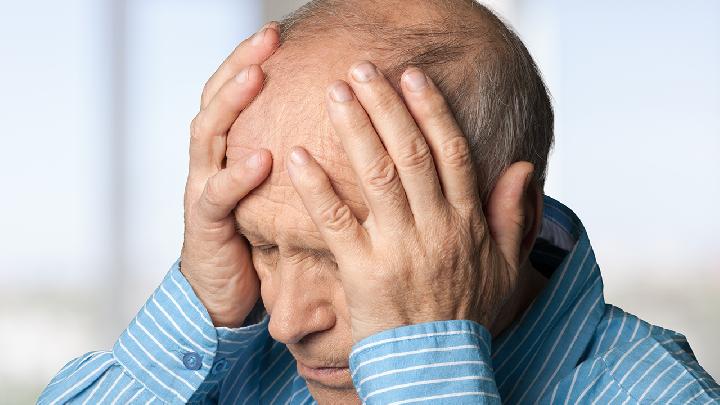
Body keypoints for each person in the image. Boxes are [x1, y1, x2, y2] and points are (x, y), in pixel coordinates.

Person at [39, 0, 719, 404]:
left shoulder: (655, 393)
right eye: (265, 243)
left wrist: (422, 362)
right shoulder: (241, 334)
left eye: (343, 254)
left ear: (512, 222)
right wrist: (200, 303)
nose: (286, 321)